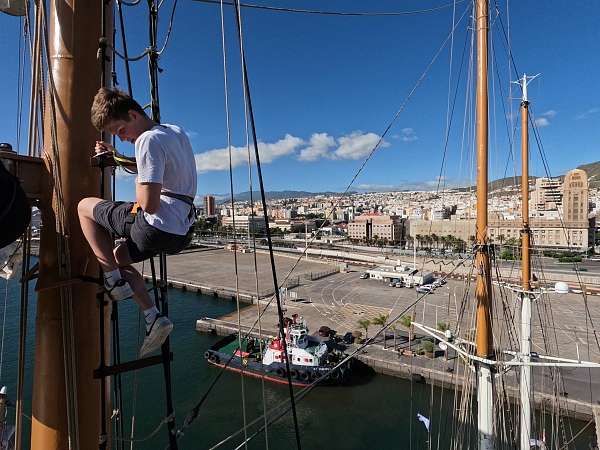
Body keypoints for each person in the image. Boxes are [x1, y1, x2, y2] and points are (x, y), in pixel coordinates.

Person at [78, 87, 197, 357]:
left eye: (121, 131)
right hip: (179, 232)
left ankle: (112, 282)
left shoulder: (146, 140)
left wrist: (138, 186)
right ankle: (153, 316)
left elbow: (150, 203)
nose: (123, 138)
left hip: (154, 224)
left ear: (133, 114)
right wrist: (116, 157)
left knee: (83, 207)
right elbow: (155, 167)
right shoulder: (175, 132)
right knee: (117, 256)